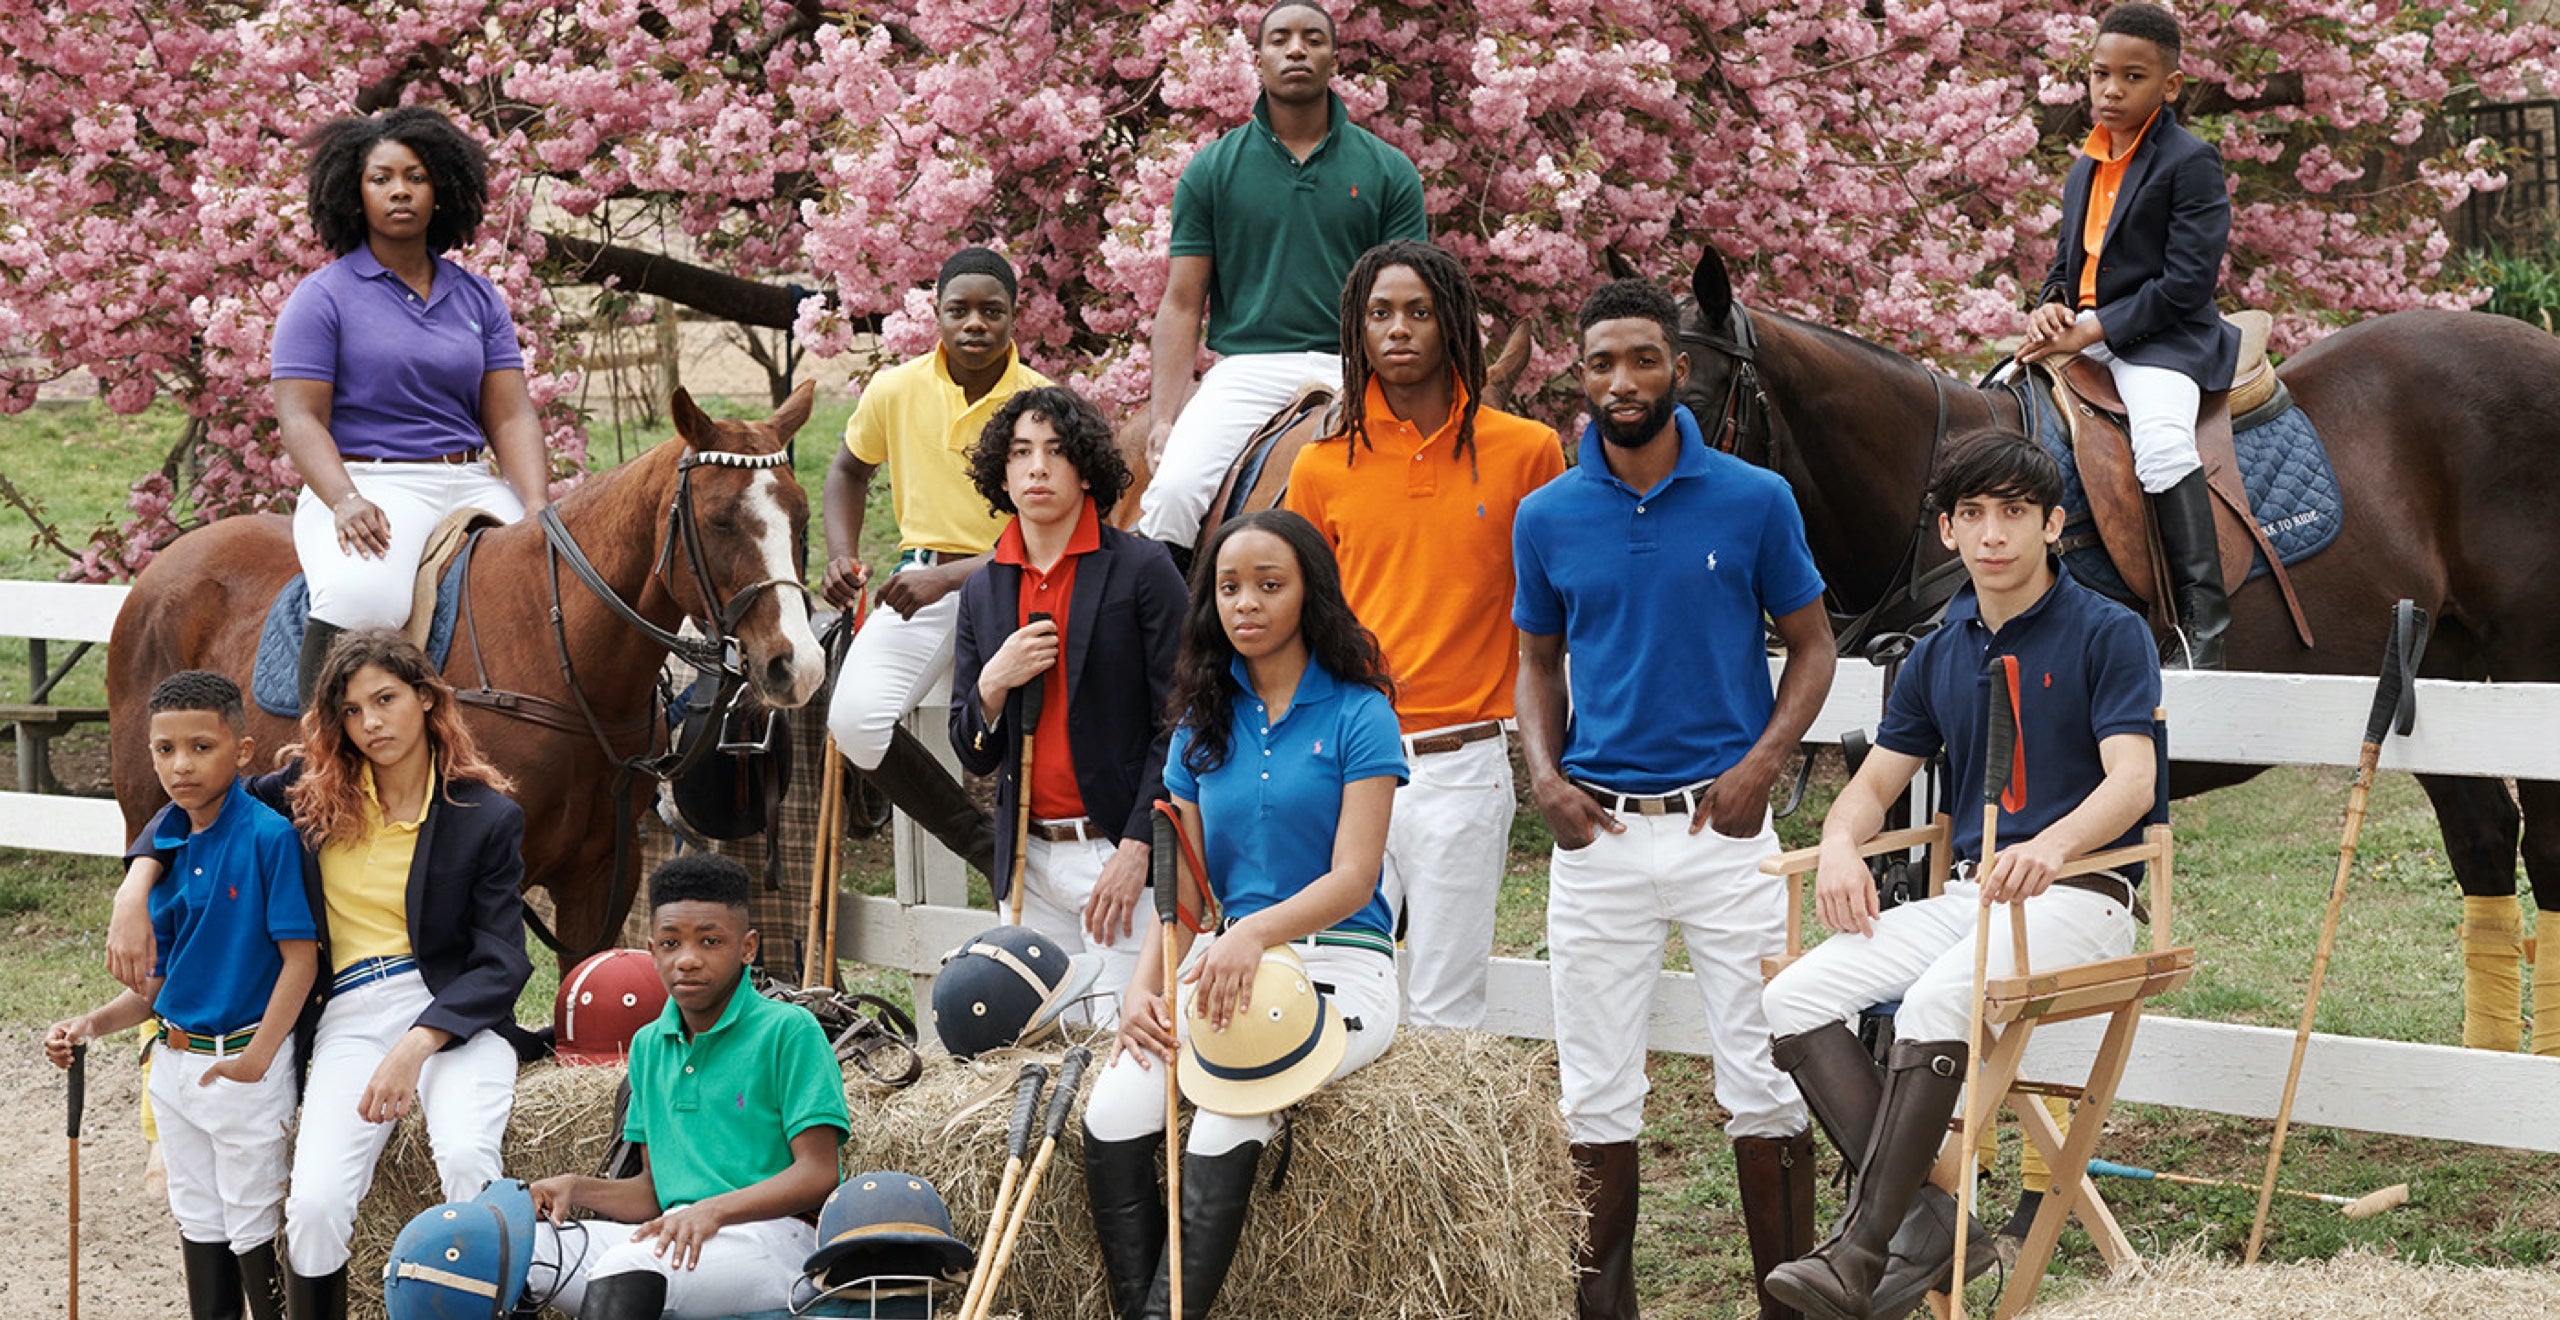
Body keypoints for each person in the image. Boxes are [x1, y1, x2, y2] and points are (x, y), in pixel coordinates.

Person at [1759, 434, 2160, 1320]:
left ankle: (1862, 1251)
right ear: (1946, 530)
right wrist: (1835, 844)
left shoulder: (2109, 631)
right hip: (1975, 895)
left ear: (2054, 524)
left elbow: (2133, 779)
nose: (1992, 534)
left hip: (2085, 896)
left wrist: (2052, 847)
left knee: (1942, 997)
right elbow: (1871, 788)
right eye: (1972, 514)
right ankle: (1934, 1220)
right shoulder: (1942, 649)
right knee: (1793, 998)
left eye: (2015, 512)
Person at [1513, 279, 1835, 1320]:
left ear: (1679, 370)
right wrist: (1545, 778)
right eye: (1601, 362)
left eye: (1642, 359)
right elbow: (1535, 661)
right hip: (1597, 836)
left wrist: (1764, 765)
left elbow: (1814, 647)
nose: (1621, 381)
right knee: (1593, 1091)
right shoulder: (1546, 514)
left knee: (1767, 1079)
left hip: (1724, 829)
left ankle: (1782, 1304)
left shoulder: (1753, 498)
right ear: (1580, 374)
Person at [109, 630, 533, 1320]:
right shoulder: (313, 793)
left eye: (386, 700)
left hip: (451, 1011)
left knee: (465, 1156)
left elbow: (501, 960)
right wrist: (136, 884)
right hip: (350, 1013)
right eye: (353, 710)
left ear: (426, 700)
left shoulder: (484, 816)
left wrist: (419, 1042)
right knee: (312, 1205)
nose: (371, 723)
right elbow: (203, 794)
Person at [1080, 509, 1408, 1319]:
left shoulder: (1358, 713)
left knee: (1226, 1114)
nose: (1246, 603)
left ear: (1310, 595)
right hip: (1226, 960)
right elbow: (1188, 897)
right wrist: (1141, 992)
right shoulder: (1200, 722)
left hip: (1338, 962)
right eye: (1229, 587)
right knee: (1114, 1107)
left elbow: (1355, 875)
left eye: (1269, 584)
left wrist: (1256, 930)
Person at [1283, 239, 1562, 1030]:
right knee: (1331, 994)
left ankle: (1445, 1158)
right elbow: (1301, 623)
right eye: (1379, 314)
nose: (1398, 329)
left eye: (1418, 311)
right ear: (1357, 331)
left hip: (1464, 765)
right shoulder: (1322, 466)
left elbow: (1558, 610)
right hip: (1346, 762)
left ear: (1450, 327)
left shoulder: (1526, 452)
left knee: (1446, 1008)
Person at [49, 671, 317, 1320]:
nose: (181, 765)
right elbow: (153, 993)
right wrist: (89, 1023)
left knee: (255, 1225)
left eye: (201, 746)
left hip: (243, 1067)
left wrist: (258, 1057)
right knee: (197, 1218)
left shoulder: (267, 837)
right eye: (165, 750)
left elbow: (300, 962)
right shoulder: (167, 844)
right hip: (171, 1067)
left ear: (243, 752)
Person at [274, 106, 551, 706]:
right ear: (353, 192)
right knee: (365, 600)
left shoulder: (477, 296)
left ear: (442, 189)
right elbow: (300, 417)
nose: (400, 190)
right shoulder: (322, 297)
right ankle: (317, 753)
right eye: (382, 178)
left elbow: (509, 413)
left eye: (416, 176)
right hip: (372, 483)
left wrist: (534, 505)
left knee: (552, 581)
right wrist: (344, 500)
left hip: (471, 481)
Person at [1133, 1, 1428, 563]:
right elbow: (1180, 304)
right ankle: (1174, 644)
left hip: (1360, 368)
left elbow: (1412, 301)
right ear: (1259, 58)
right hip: (1247, 369)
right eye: (1282, 39)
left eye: (1313, 39)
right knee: (1171, 493)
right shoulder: (1212, 170)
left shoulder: (1389, 170)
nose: (1297, 49)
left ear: (1333, 58)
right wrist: (1163, 418)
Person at [950, 386, 1189, 1026]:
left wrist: (1139, 845)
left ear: (1084, 468)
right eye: (1021, 452)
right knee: (1042, 1049)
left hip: (1118, 853)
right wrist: (993, 683)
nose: (1037, 468)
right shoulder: (982, 588)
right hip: (1027, 860)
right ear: (1001, 471)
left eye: (1056, 452)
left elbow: (1184, 717)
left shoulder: (1142, 569)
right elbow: (970, 742)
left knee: (1124, 1042)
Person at [526, 855, 849, 1318]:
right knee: (521, 1250)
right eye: (671, 943)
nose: (688, 959)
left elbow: (819, 1174)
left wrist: (713, 1211)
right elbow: (652, 1193)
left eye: (711, 941)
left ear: (747, 947)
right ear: (653, 949)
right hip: (675, 1233)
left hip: (777, 1238)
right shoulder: (648, 1045)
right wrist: (573, 1188)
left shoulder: (788, 1030)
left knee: (629, 1265)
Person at [2018, 2, 2237, 669]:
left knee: (2163, 443)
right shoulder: (2084, 166)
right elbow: (2064, 269)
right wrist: (2047, 309)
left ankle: (2205, 622)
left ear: (2169, 86)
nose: (2110, 91)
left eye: (2132, 77)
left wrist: (2091, 329)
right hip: (2084, 337)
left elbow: (2185, 286)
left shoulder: (2191, 162)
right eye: (2099, 75)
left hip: (2162, 341)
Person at [821, 246, 1050, 877]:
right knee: (854, 719)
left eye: (991, 311)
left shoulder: (1043, 400)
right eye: (959, 310)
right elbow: (846, 469)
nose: (975, 323)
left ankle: (1051, 857)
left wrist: (946, 579)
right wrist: (841, 552)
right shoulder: (895, 388)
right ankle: (982, 846)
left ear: (1013, 318)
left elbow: (1054, 528)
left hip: (1020, 589)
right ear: (937, 316)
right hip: (915, 588)